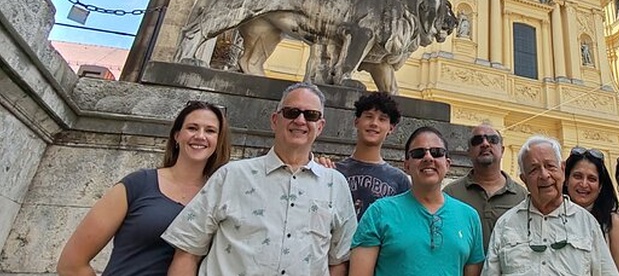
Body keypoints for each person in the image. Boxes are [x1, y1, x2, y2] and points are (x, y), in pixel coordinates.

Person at [163, 82, 357, 276]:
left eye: (311, 115)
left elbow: (339, 261)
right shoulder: (231, 176)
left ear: (320, 126)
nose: (300, 120)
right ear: (275, 120)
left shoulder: (335, 185)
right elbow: (187, 251)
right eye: (291, 112)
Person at [57, 101, 231, 276]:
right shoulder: (138, 184)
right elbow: (71, 264)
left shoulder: (222, 197)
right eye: (192, 128)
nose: (200, 136)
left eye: (210, 131)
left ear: (219, 141)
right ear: (177, 136)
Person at [349, 126, 485, 276]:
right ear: (406, 165)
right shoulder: (379, 213)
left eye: (436, 152)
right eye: (418, 153)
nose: (428, 158)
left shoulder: (469, 217)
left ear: (447, 164)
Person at [484, 136, 618, 276]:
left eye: (550, 166)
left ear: (562, 170)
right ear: (524, 179)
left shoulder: (587, 223)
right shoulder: (506, 224)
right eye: (534, 169)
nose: (544, 175)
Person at [444, 123, 526, 251]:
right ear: (469, 152)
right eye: (477, 140)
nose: (485, 144)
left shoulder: (522, 197)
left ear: (502, 150)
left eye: (492, 139)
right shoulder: (451, 194)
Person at [335, 92, 410, 220]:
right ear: (357, 121)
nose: (374, 123)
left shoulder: (399, 180)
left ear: (391, 128)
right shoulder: (335, 171)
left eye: (382, 119)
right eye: (369, 116)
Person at [564, 146, 619, 275]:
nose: (584, 184)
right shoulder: (553, 217)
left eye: (592, 179)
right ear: (566, 181)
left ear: (600, 187)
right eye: (578, 176)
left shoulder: (613, 223)